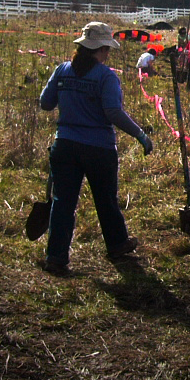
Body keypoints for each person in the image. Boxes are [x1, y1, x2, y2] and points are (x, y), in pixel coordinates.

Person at [38, 22, 154, 276]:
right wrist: (140, 134)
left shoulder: (62, 70)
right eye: (106, 50)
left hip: (65, 145)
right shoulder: (106, 76)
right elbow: (112, 111)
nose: (108, 54)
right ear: (100, 49)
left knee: (62, 202)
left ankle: (55, 257)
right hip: (98, 149)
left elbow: (46, 103)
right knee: (105, 199)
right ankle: (117, 244)